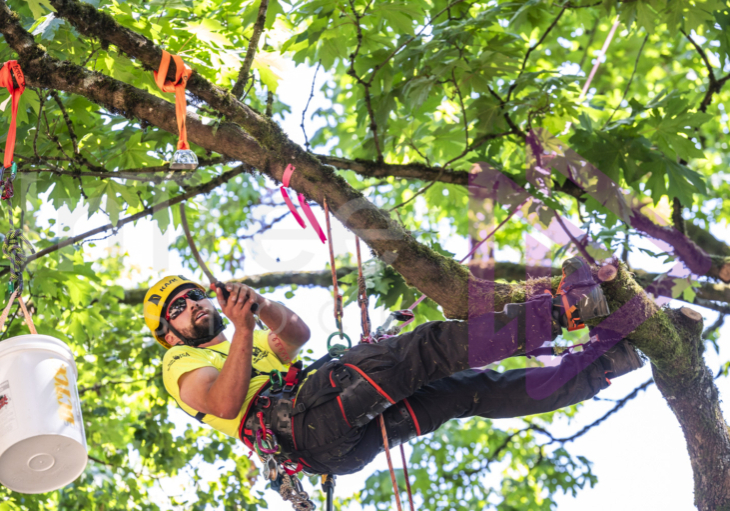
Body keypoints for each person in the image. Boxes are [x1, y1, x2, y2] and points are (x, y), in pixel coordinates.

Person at [143, 257, 643, 477]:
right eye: (179, 309)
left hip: (326, 439)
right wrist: (245, 330)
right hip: (301, 420)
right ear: (169, 333)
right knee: (424, 349)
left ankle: (603, 366)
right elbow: (225, 402)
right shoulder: (180, 361)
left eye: (193, 296)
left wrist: (258, 307)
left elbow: (295, 336)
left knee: (462, 392)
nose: (193, 305)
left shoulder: (243, 348)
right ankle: (560, 311)